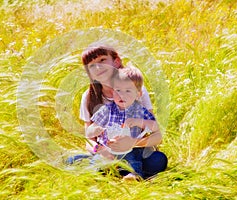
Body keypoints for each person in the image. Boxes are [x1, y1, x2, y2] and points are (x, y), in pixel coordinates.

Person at [67, 44, 167, 180]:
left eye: (102, 60)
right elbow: (89, 138)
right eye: (91, 65)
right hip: (107, 150)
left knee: (157, 160)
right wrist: (100, 150)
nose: (98, 67)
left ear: (116, 61)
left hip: (135, 149)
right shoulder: (89, 97)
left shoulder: (137, 91)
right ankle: (117, 170)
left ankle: (128, 173)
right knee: (73, 160)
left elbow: (155, 132)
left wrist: (132, 143)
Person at [86, 66, 165, 180]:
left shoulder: (140, 111)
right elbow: (89, 132)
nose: (122, 95)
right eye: (118, 90)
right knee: (98, 162)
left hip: (131, 149)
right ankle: (99, 174)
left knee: (132, 159)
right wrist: (95, 129)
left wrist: (139, 122)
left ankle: (132, 176)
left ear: (138, 94)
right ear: (112, 92)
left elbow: (156, 128)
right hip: (108, 150)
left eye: (128, 91)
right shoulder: (107, 110)